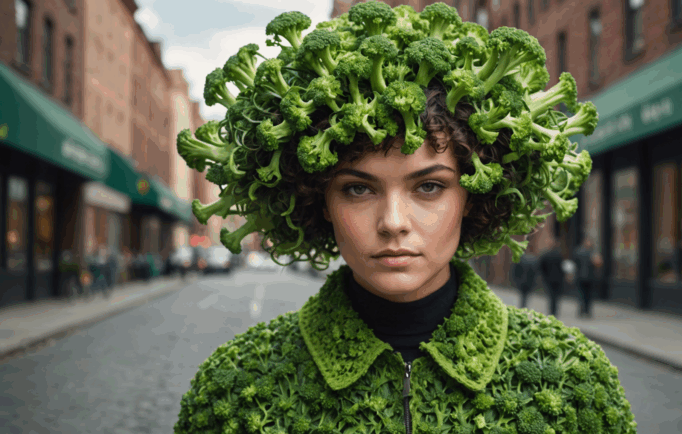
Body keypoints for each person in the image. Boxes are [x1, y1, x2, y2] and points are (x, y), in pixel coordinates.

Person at [174, 5, 637, 434]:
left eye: (428, 187)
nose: (393, 222)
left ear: (472, 198)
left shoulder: (574, 380)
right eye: (358, 189)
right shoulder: (234, 387)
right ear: (319, 203)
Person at [574, 238, 601, 318]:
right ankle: (584, 311)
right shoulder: (592, 252)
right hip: (586, 277)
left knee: (584, 295)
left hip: (585, 277)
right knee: (585, 295)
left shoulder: (579, 251)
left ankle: (584, 311)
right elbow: (598, 263)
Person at [539, 239, 566, 318]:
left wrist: (544, 276)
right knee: (556, 296)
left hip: (549, 279)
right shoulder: (559, 255)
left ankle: (551, 310)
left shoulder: (545, 255)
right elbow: (562, 267)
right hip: (558, 279)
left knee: (551, 295)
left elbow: (541, 267)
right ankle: (555, 311)